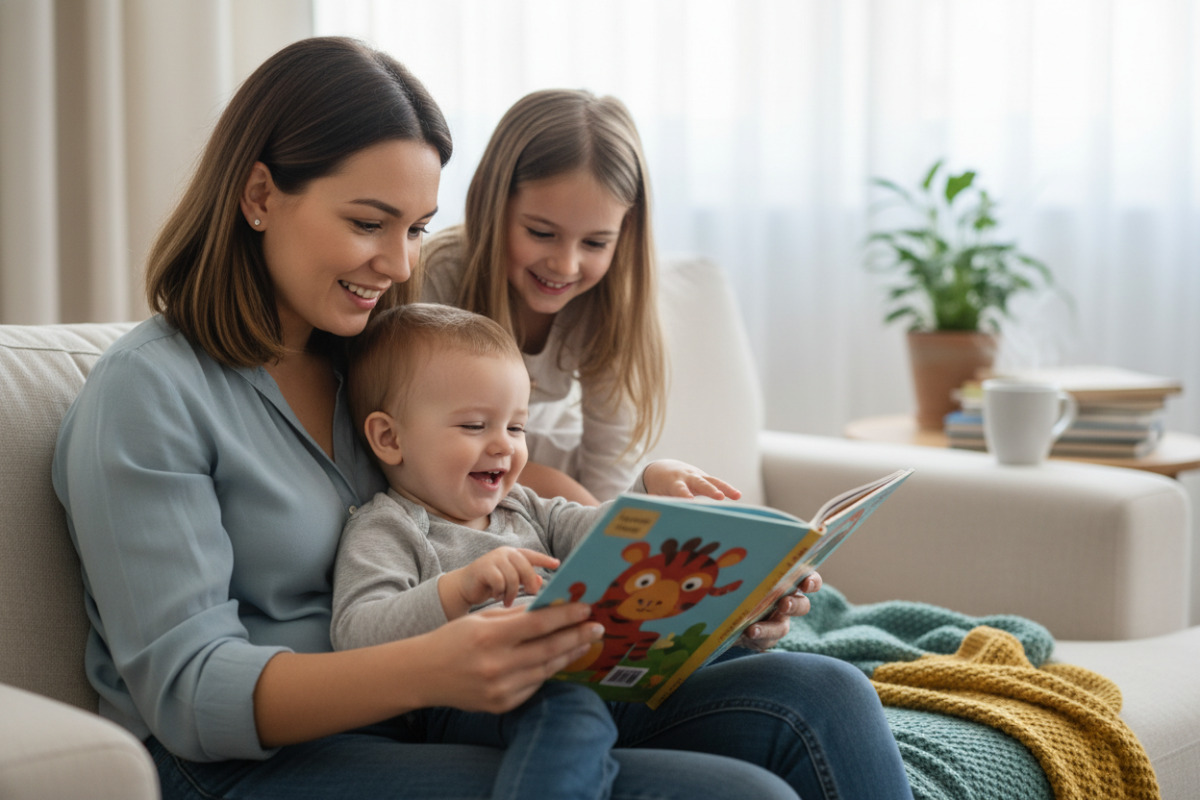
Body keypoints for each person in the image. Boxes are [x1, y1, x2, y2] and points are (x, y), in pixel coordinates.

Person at [51, 36, 912, 800]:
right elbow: (190, 695)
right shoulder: (149, 393)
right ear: (258, 195)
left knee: (823, 694)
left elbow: (516, 508)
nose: (399, 265)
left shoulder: (376, 364)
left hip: (433, 713)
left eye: (417, 228)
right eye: (369, 223)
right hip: (241, 765)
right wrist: (434, 665)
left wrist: (716, 596)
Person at [332, 301, 742, 800]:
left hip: (589, 669)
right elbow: (356, 635)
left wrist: (651, 488)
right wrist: (459, 589)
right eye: (474, 426)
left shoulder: (526, 506)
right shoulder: (387, 526)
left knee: (743, 657)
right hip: (469, 696)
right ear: (389, 438)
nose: (504, 446)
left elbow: (606, 535)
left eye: (516, 427)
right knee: (567, 704)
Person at [421, 89, 666, 505]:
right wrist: (562, 491)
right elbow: (419, 445)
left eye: (595, 243)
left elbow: (611, 467)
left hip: (535, 472)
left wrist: (598, 521)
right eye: (541, 233)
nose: (565, 266)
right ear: (494, 205)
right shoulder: (438, 278)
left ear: (624, 233)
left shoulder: (608, 302)